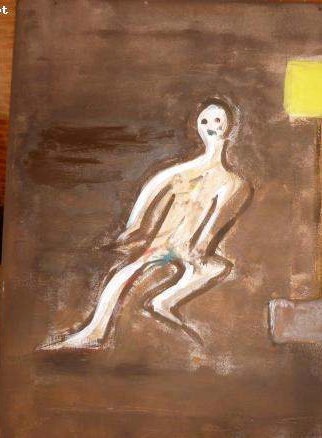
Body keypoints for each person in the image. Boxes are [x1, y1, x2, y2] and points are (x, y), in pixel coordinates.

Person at [45, 99, 251, 349]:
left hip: (190, 247)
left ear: (228, 126)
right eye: (205, 121)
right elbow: (150, 190)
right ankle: (94, 332)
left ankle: (164, 302)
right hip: (166, 243)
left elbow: (215, 217)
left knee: (217, 267)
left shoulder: (231, 181)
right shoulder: (185, 170)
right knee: (128, 271)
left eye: (217, 121)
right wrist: (134, 228)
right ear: (198, 126)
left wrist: (199, 248)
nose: (211, 126)